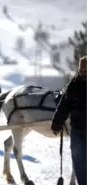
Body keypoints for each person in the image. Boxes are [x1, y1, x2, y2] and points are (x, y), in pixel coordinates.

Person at [51, 56, 87, 185]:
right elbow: (64, 105)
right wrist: (56, 123)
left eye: (86, 72)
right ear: (78, 70)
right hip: (77, 130)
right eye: (82, 71)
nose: (84, 74)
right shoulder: (73, 85)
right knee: (78, 160)